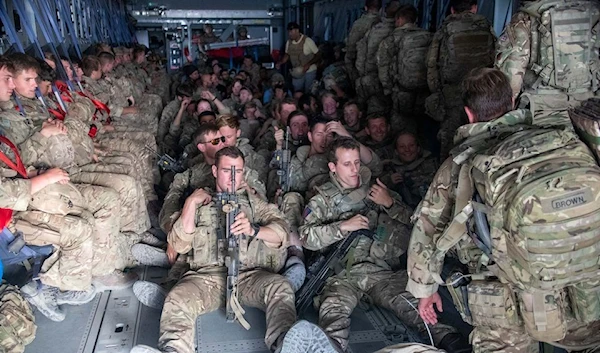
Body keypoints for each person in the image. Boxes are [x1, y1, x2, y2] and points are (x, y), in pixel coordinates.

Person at [408, 67, 600, 352]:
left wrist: (425, 290)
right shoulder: (564, 138)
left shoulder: (462, 163)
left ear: (469, 114)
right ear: (512, 102)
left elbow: (429, 227)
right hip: (583, 281)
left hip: (505, 295)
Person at [299, 137, 464, 352]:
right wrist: (342, 226)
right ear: (333, 166)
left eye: (357, 162)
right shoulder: (321, 200)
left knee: (409, 304)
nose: (354, 169)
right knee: (333, 313)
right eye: (347, 164)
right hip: (341, 275)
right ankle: (331, 348)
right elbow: (306, 237)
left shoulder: (377, 191)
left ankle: (450, 340)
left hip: (380, 271)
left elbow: (419, 224)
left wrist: (389, 203)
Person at [496, 0, 599, 128]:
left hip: (541, 114)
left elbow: (510, 79)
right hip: (590, 113)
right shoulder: (595, 10)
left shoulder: (527, 16)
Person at [425, 0, 495, 159]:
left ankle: (447, 174)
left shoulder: (445, 29)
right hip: (481, 89)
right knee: (480, 135)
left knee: (450, 136)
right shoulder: (486, 26)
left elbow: (431, 62)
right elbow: (495, 55)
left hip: (452, 91)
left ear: (452, 10)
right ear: (475, 8)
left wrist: (436, 91)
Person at [376, 5, 431, 131]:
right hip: (424, 92)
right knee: (423, 127)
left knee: (401, 129)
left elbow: (382, 68)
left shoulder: (390, 40)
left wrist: (388, 90)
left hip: (401, 92)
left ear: (400, 19)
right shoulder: (428, 36)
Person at [380, 132, 437, 208]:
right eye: (402, 146)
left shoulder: (433, 164)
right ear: (396, 151)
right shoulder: (389, 168)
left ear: (418, 148)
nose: (407, 149)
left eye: (411, 145)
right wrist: (389, 181)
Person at [345, 0, 382, 89]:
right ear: (381, 9)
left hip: (362, 66)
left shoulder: (359, 24)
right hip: (379, 67)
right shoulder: (385, 24)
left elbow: (351, 47)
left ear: (365, 8)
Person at [276, 22, 321, 93]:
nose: (289, 34)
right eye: (288, 31)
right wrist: (280, 62)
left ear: (297, 30)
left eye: (291, 31)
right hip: (297, 71)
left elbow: (318, 54)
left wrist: (308, 64)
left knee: (309, 91)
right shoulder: (289, 43)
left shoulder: (307, 41)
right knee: (297, 91)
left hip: (309, 71)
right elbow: (287, 55)